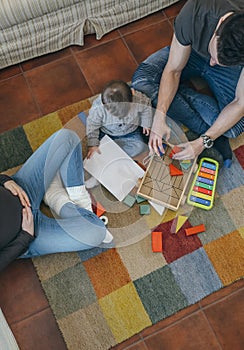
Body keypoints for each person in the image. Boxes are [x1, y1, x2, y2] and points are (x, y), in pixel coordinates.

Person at [131, 0, 244, 167]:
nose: (212, 62)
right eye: (213, 55)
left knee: (235, 128)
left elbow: (240, 103)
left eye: (218, 62)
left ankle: (180, 94)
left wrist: (203, 142)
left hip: (230, 73)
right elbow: (173, 70)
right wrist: (160, 116)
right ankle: (184, 100)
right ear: (220, 23)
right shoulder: (197, 10)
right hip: (191, 53)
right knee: (142, 80)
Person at [0, 129, 113, 272]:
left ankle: (76, 197)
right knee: (96, 232)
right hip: (29, 233)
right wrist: (25, 237)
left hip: (20, 189)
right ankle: (56, 197)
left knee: (68, 138)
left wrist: (4, 180)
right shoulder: (26, 235)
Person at [86, 80, 153, 159]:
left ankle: (116, 155)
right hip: (108, 133)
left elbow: (146, 107)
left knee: (140, 146)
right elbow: (92, 125)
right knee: (99, 151)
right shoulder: (98, 109)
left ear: (132, 93)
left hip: (131, 131)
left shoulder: (139, 99)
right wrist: (93, 144)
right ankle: (115, 154)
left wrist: (146, 123)